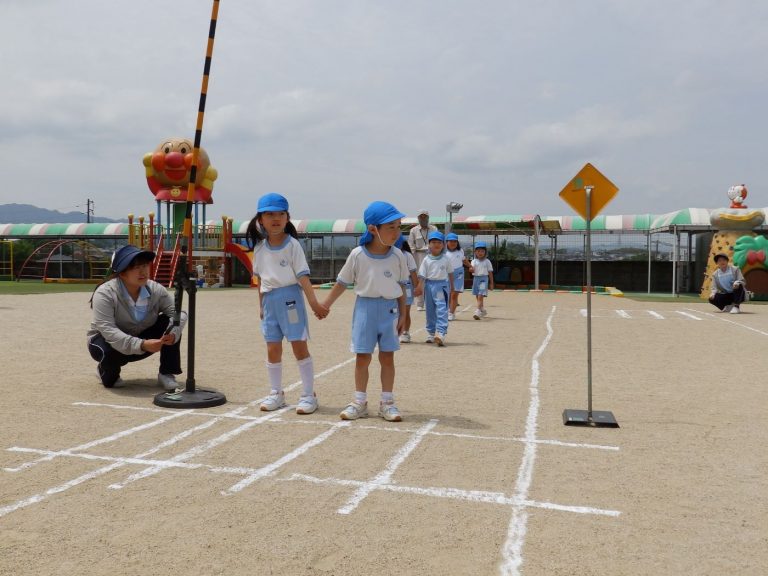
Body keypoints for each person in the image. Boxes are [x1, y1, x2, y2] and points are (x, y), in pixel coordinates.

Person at [323, 201, 409, 422]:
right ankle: (359, 402)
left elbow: (401, 288)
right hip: (365, 309)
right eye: (391, 227)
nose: (396, 232)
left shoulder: (398, 255)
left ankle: (387, 402)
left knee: (387, 357)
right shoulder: (357, 255)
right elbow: (342, 282)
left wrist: (404, 315)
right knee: (362, 357)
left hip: (390, 311)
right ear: (373, 229)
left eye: (399, 227)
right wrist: (325, 305)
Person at [248, 193, 328, 415]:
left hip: (291, 300)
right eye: (269, 214)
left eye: (280, 214)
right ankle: (276, 393)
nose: (275, 218)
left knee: (298, 346)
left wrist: (314, 304)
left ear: (287, 217)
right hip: (270, 301)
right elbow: (261, 280)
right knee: (273, 348)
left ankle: (309, 394)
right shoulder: (260, 248)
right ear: (260, 219)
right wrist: (261, 306)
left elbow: (303, 277)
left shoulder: (292, 245)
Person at [88, 245, 186, 390]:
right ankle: (105, 370)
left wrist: (173, 332)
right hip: (108, 343)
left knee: (171, 323)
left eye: (145, 266)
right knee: (111, 382)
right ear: (122, 273)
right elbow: (108, 331)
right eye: (136, 267)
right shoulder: (105, 293)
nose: (143, 271)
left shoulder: (156, 289)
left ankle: (167, 373)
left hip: (142, 339)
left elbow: (178, 313)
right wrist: (142, 345)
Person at [415, 231, 454, 346]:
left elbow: (451, 273)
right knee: (430, 310)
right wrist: (419, 287)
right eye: (433, 242)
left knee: (441, 309)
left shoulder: (446, 259)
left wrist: (452, 286)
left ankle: (441, 333)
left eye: (439, 242)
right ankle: (431, 333)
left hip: (441, 287)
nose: (436, 244)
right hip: (429, 286)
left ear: (443, 245)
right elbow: (422, 276)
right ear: (429, 245)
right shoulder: (426, 259)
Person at [407, 209, 437, 310]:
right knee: (420, 278)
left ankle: (431, 301)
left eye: (425, 217)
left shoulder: (434, 229)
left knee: (432, 277)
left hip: (431, 256)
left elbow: (437, 241)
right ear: (418, 218)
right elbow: (411, 244)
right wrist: (411, 258)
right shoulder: (413, 230)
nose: (423, 219)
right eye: (421, 217)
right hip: (418, 256)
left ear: (428, 218)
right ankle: (420, 303)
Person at [395, 235, 419, 343]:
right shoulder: (388, 255)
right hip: (393, 286)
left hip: (407, 285)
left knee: (405, 310)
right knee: (395, 311)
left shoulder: (407, 255)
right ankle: (395, 332)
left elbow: (413, 272)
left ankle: (405, 332)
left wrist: (416, 287)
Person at [445, 232, 468, 321]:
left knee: (454, 294)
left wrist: (471, 267)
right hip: (446, 274)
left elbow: (464, 260)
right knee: (447, 294)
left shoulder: (460, 251)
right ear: (446, 242)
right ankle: (447, 311)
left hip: (458, 274)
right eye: (450, 241)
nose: (453, 243)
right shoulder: (443, 252)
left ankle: (451, 313)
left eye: (455, 241)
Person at [470, 241, 494, 320]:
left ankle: (477, 311)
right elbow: (472, 270)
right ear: (475, 252)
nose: (480, 253)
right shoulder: (473, 261)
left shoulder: (487, 261)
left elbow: (490, 273)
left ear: (485, 252)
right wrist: (471, 269)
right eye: (478, 251)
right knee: (477, 295)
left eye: (482, 251)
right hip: (476, 279)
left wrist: (491, 283)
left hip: (484, 279)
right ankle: (482, 309)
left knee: (480, 295)